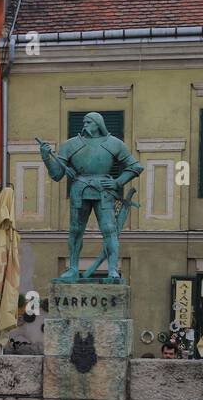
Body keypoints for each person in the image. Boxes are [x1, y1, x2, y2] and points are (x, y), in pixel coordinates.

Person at [38, 112, 143, 283]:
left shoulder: (114, 143)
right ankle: (72, 269)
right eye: (84, 122)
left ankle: (112, 270)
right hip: (79, 190)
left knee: (109, 230)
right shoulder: (70, 145)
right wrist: (46, 158)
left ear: (98, 124)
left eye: (89, 122)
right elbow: (57, 174)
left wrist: (118, 182)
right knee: (75, 231)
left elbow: (135, 166)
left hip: (104, 190)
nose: (85, 124)